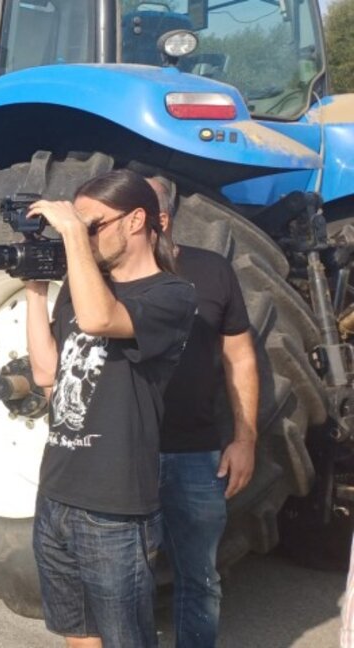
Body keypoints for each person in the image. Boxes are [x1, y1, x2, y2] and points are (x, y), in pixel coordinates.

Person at [25, 169, 197, 647]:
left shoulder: (171, 294)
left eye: (92, 225)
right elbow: (45, 372)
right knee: (77, 635)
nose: (83, 236)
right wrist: (35, 289)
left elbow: (101, 319)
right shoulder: (81, 288)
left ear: (136, 220)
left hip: (114, 507)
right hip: (56, 492)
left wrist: (71, 233)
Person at [148, 176, 258, 648]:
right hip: (126, 455)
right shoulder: (104, 276)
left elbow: (241, 357)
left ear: (160, 219)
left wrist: (245, 439)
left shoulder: (212, 270)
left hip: (195, 454)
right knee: (123, 579)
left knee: (200, 579)